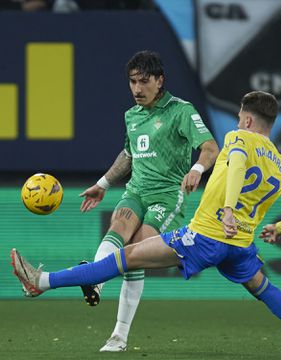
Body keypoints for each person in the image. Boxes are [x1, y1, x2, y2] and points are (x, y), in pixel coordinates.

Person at [11, 91, 281, 356]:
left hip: (206, 236)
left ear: (247, 119)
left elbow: (236, 165)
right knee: (263, 287)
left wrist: (230, 209)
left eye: (238, 118)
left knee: (128, 257)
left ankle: (41, 282)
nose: (236, 123)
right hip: (240, 246)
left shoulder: (239, 138)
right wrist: (280, 227)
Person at [78, 50, 218, 351]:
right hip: (136, 191)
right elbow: (129, 154)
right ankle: (97, 282)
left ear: (160, 80)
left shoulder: (181, 111)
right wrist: (103, 183)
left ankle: (119, 336)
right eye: (132, 82)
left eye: (144, 81)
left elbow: (210, 147)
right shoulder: (132, 115)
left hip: (167, 196)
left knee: (135, 252)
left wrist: (196, 169)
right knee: (117, 228)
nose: (137, 89)